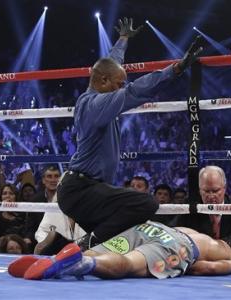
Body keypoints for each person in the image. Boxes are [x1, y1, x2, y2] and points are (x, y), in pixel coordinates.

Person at [57, 18, 203, 247]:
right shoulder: (96, 105)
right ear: (103, 81)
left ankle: (70, 246)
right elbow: (136, 91)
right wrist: (175, 69)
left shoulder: (96, 91)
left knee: (117, 234)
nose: (121, 88)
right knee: (145, 204)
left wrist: (123, 40)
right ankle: (83, 246)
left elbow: (111, 63)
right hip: (82, 191)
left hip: (87, 190)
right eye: (118, 84)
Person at [8, 221, 231, 280]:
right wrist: (183, 265)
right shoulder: (229, 253)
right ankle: (81, 265)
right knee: (129, 265)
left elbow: (173, 229)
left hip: (151, 227)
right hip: (176, 245)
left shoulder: (200, 233)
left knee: (101, 251)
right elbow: (208, 267)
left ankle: (55, 260)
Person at [178, 166, 231, 260]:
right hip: (197, 261)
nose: (211, 196)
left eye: (215, 191)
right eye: (206, 191)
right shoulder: (189, 208)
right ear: (199, 190)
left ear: (224, 188)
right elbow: (172, 234)